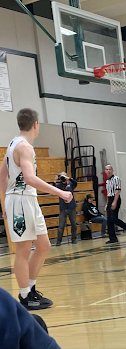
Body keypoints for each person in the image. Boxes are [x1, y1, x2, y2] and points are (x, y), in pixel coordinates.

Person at [0, 108, 72, 310]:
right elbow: (30, 178)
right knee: (23, 251)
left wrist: (5, 201)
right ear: (35, 124)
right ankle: (24, 295)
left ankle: (30, 289)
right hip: (21, 202)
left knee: (43, 245)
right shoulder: (25, 148)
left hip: (26, 200)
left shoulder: (13, 144)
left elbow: (2, 174)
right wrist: (60, 193)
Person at [104, 165, 126, 244]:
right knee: (109, 220)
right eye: (107, 169)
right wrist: (107, 204)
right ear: (105, 171)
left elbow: (117, 191)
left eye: (109, 169)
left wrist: (114, 202)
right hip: (110, 199)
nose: (108, 171)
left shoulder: (116, 179)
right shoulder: (107, 181)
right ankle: (112, 238)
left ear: (112, 170)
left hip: (116, 198)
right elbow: (108, 193)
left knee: (113, 218)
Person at [53, 172, 77, 246]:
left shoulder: (70, 184)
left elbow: (75, 182)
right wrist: (55, 180)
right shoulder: (59, 185)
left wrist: (68, 178)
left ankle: (74, 239)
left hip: (71, 207)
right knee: (61, 225)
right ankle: (58, 241)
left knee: (74, 224)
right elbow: (52, 188)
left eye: (64, 176)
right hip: (63, 208)